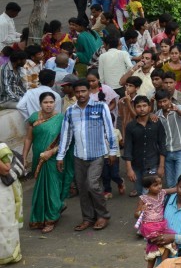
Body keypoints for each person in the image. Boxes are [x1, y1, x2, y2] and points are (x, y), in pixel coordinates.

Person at [56, 79, 118, 232]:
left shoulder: (101, 107)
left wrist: (113, 151)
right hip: (79, 156)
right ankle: (88, 218)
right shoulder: (70, 111)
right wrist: (60, 155)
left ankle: (103, 215)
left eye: (83, 91)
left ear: (89, 91)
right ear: (74, 93)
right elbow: (66, 135)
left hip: (97, 155)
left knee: (92, 184)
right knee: (83, 189)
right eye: (77, 92)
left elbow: (109, 130)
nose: (80, 94)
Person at [24, 92, 74, 233]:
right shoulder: (34, 118)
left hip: (54, 159)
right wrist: (24, 157)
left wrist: (51, 152)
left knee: (52, 188)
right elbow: (28, 138)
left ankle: (51, 219)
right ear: (40, 104)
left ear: (55, 103)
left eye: (51, 102)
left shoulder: (61, 119)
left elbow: (66, 140)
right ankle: (43, 215)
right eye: (45, 102)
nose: (48, 105)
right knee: (41, 190)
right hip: (38, 158)